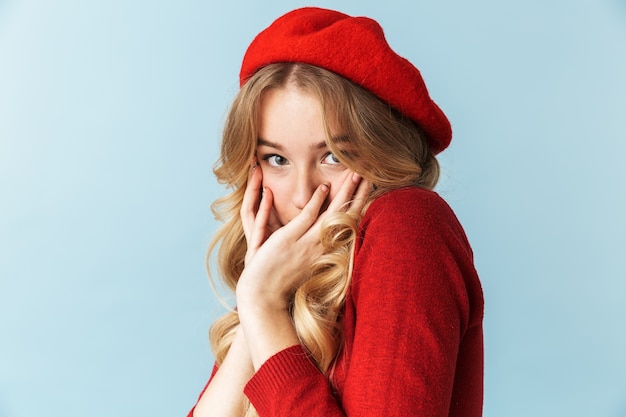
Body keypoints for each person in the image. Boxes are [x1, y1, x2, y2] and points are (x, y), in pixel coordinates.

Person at [188, 6, 484, 417]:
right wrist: (260, 300)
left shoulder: (408, 225)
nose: (302, 194)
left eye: (332, 156)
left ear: (378, 154)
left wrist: (264, 308)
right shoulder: (282, 275)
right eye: (277, 159)